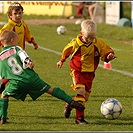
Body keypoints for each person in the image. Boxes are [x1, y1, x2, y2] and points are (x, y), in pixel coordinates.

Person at [0, 30, 85, 124]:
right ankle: (71, 101)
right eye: (17, 40)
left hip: (17, 83)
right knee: (50, 90)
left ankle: (3, 118)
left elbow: (1, 76)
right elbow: (23, 56)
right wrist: (29, 62)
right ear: (12, 41)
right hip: (32, 78)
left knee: (4, 95)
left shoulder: (0, 57)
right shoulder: (16, 49)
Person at [57, 19, 117, 124]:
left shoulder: (97, 43)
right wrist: (62, 60)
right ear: (81, 33)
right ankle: (79, 118)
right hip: (77, 71)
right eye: (87, 37)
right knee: (80, 92)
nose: (89, 40)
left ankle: (70, 104)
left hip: (90, 73)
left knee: (85, 97)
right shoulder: (76, 43)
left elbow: (105, 50)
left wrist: (109, 56)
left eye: (92, 37)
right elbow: (66, 50)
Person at [0, 2, 39, 93]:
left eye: (20, 13)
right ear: (10, 15)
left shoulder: (23, 24)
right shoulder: (8, 26)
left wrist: (33, 42)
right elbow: (1, 37)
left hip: (20, 52)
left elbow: (27, 34)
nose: (18, 15)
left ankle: (4, 84)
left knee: (19, 70)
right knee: (15, 70)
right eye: (15, 14)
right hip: (10, 53)